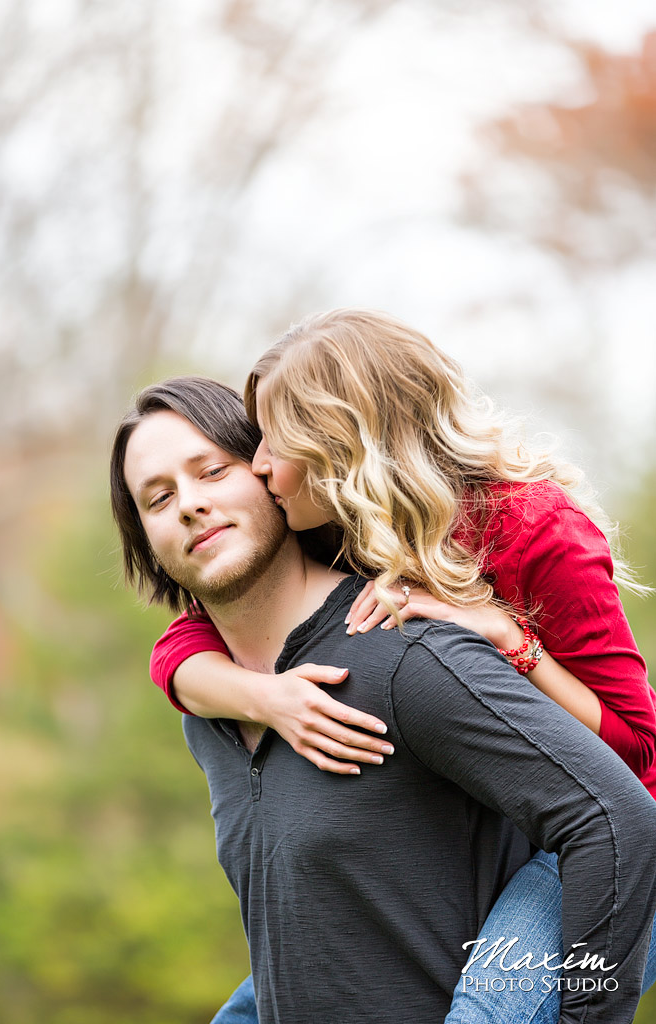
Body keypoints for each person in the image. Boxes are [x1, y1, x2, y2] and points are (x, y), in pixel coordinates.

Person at [148, 311, 656, 1022]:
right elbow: (178, 647)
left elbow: (634, 753)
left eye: (272, 439)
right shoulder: (342, 529)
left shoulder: (535, 529)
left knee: (488, 1010)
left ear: (339, 441)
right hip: (493, 831)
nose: (257, 465)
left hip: (609, 844)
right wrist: (266, 700)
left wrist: (508, 637)